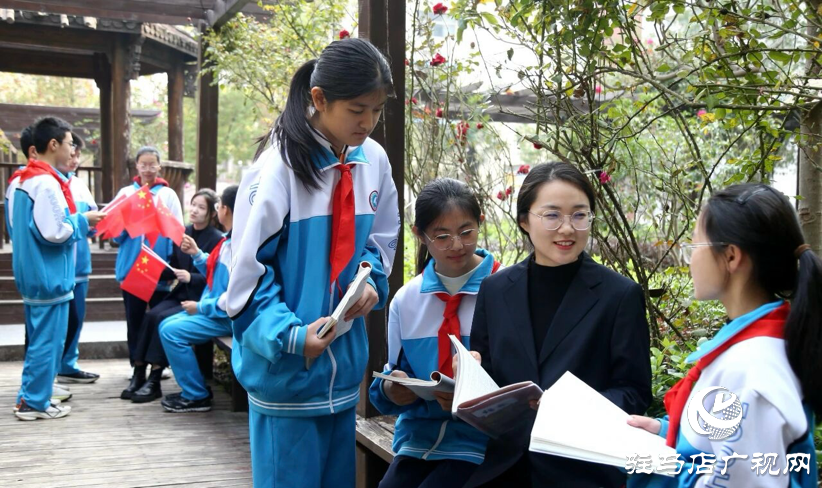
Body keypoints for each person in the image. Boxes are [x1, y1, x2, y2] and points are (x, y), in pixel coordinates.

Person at [225, 38, 400, 488]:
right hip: (286, 374)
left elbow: (380, 238)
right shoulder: (277, 170)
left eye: (377, 110)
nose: (368, 123)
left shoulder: (373, 161)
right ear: (319, 99)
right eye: (357, 110)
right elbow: (246, 275)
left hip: (342, 375)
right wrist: (289, 335)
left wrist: (370, 281)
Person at [465, 162, 652, 487]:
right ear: (525, 220)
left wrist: (571, 406)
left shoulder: (619, 295)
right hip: (504, 470)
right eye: (552, 215)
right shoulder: (495, 290)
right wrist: (466, 383)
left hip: (584, 472)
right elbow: (489, 379)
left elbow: (634, 392)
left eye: (579, 215)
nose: (567, 228)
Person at [627, 183, 821, 487]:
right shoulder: (764, 341)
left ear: (731, 257)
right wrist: (667, 433)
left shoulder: (752, 371)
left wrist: (655, 463)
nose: (690, 261)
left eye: (693, 248)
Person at [369, 178, 500, 488]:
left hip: (484, 442)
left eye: (466, 232)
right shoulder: (407, 299)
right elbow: (392, 377)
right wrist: (391, 390)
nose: (456, 245)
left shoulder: (505, 289)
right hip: (418, 438)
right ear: (420, 236)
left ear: (480, 223)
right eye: (442, 236)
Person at [11, 117, 104, 420]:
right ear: (53, 145)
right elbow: (55, 232)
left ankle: (31, 397)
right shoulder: (46, 183)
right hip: (50, 276)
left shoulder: (19, 181)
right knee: (47, 343)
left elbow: (18, 228)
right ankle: (34, 403)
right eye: (68, 144)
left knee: (40, 341)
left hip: (32, 273)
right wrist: (83, 221)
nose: (71, 150)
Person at [123, 188, 223, 402]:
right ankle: (139, 371)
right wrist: (154, 267)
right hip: (180, 293)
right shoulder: (184, 232)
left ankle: (155, 377)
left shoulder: (217, 239)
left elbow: (217, 277)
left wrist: (191, 277)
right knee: (150, 316)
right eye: (193, 205)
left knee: (161, 318)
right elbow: (175, 266)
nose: (194, 210)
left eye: (201, 207)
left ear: (212, 213)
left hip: (199, 297)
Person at [159, 185, 239, 413]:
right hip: (217, 311)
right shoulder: (228, 240)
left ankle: (196, 395)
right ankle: (194, 390)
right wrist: (196, 254)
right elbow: (215, 272)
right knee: (166, 325)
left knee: (170, 332)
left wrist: (201, 307)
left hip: (225, 316)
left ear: (224, 209)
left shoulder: (237, 245)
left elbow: (234, 296)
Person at [112, 147, 183, 398]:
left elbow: (177, 231)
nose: (148, 169)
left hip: (157, 268)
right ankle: (137, 369)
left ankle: (156, 370)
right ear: (137, 166)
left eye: (153, 164)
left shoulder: (168, 195)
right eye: (144, 164)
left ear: (159, 167)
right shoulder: (126, 194)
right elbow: (115, 233)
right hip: (132, 268)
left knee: (157, 320)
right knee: (135, 321)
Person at [57, 132, 100, 384]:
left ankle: (68, 363)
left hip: (80, 263)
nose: (75, 159)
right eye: (71, 152)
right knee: (57, 322)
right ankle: (51, 372)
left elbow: (92, 219)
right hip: (57, 265)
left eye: (78, 154)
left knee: (76, 317)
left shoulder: (79, 184)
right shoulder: (47, 183)